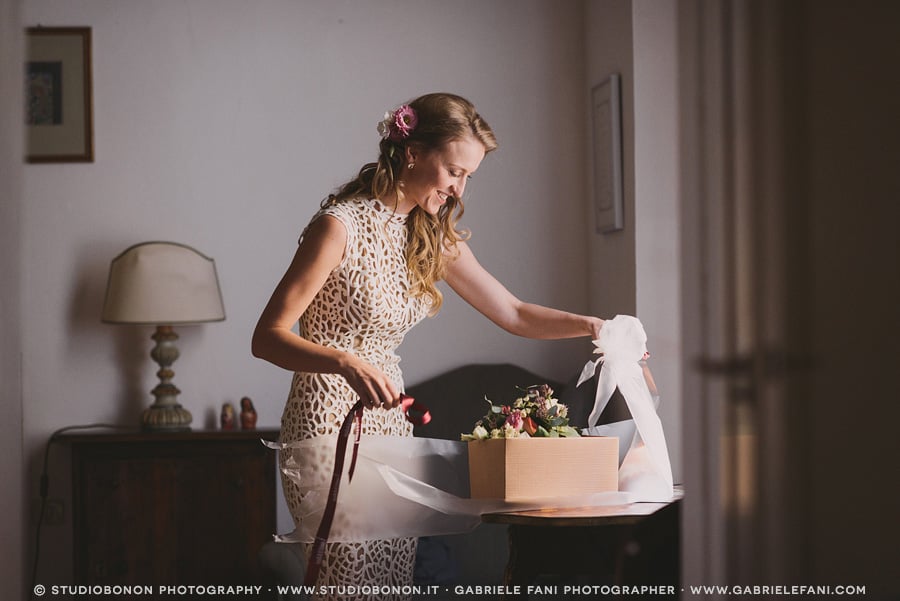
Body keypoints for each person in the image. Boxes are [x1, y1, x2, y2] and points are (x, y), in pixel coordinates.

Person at [251, 92, 603, 600]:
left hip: (392, 425)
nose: (459, 189)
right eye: (454, 172)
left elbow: (514, 313)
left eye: (468, 177)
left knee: (392, 580)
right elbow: (267, 337)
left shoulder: (431, 235)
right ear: (413, 152)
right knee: (347, 582)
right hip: (328, 422)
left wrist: (592, 325)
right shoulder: (338, 227)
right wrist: (344, 362)